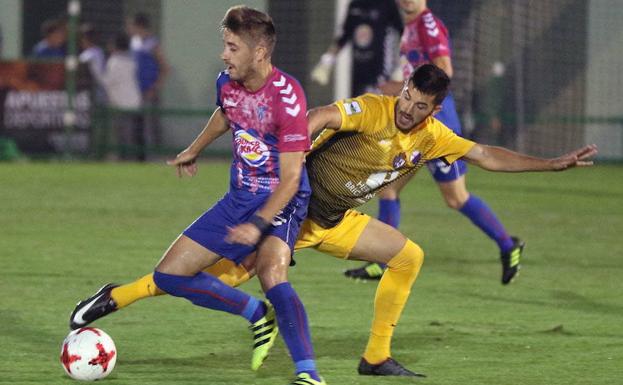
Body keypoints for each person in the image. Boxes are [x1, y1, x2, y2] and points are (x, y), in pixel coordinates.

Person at [70, 64, 597, 377]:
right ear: (404, 90)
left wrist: (551, 164)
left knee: (409, 255)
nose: (409, 110)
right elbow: (324, 115)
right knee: (210, 280)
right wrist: (300, 127)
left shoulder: (434, 136)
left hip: (336, 221)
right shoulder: (373, 108)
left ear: (436, 108)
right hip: (292, 214)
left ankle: (375, 357)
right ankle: (116, 296)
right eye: (408, 98)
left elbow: (486, 155)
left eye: (420, 106)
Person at [72, 6, 326, 385]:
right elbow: (226, 113)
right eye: (225, 45)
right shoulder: (227, 82)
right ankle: (256, 313)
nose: (224, 54)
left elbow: (291, 178)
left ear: (259, 52)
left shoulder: (287, 99)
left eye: (232, 47)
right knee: (170, 274)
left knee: (273, 273)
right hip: (239, 197)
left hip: (281, 201)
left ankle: (308, 373)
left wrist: (258, 225)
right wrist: (195, 148)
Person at [344, 0, 524, 283]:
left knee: (456, 198)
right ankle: (383, 261)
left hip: (438, 128)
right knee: (388, 188)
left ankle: (508, 245)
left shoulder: (428, 25)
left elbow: (445, 70)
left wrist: (409, 90)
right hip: (419, 125)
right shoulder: (412, 26)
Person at [311, 0, 403, 97]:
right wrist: (327, 61)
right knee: (356, 105)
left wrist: (401, 64)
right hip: (358, 69)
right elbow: (344, 35)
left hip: (380, 69)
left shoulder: (387, 4)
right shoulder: (354, 5)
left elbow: (402, 32)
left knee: (376, 105)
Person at [87, 33, 143, 160]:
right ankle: (129, 158)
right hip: (133, 102)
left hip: (122, 104)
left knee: (124, 135)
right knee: (130, 134)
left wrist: (94, 68)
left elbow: (106, 81)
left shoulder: (115, 61)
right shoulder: (130, 60)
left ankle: (127, 159)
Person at [126, 12, 170, 151]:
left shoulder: (152, 44)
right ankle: (136, 155)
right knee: (134, 125)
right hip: (134, 91)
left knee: (148, 125)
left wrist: (155, 88)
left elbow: (165, 68)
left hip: (148, 91)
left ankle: (151, 154)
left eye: (131, 25)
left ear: (139, 26)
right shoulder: (134, 43)